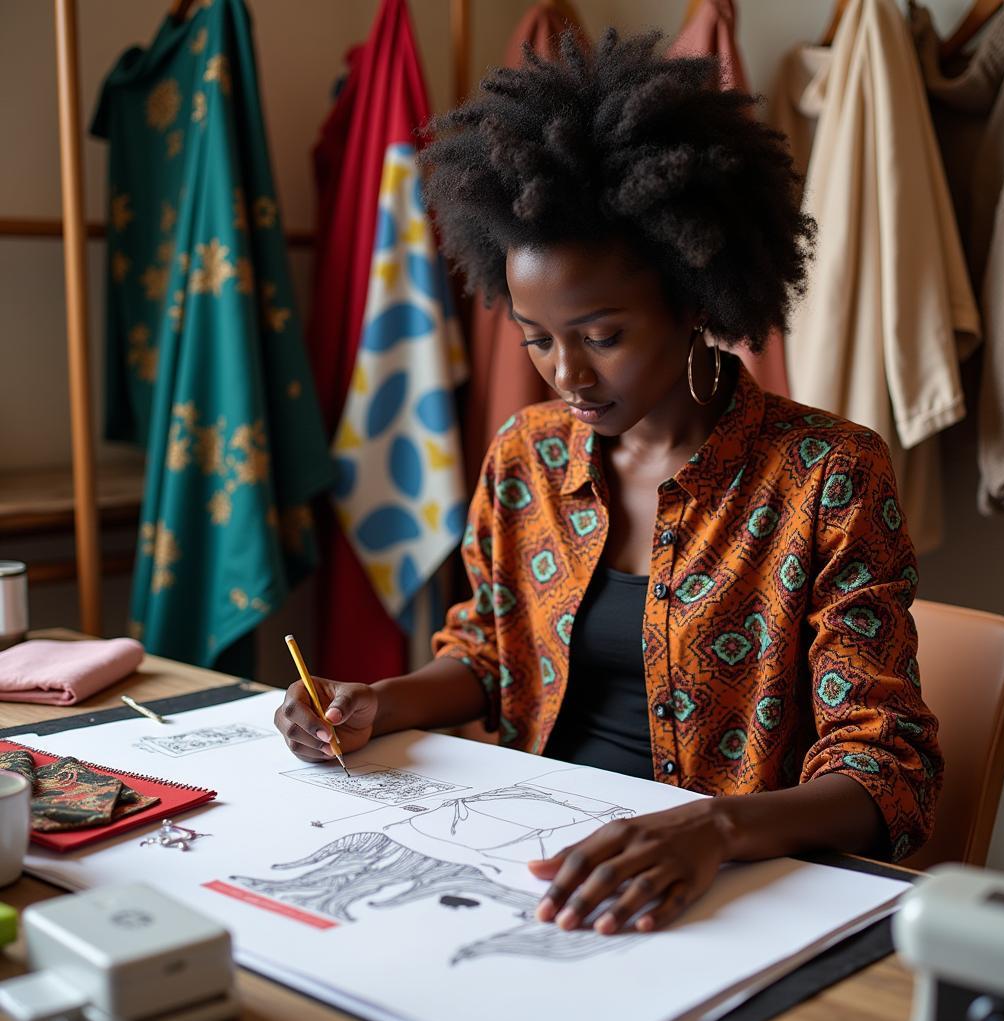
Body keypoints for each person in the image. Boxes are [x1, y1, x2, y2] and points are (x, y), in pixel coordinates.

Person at [275, 29, 941, 936]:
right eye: (538, 339)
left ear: (697, 297)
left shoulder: (824, 475)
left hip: (726, 884)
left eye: (603, 335)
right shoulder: (528, 455)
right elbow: (489, 654)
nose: (567, 377)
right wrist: (376, 703)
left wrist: (709, 827)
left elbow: (883, 765)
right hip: (528, 851)